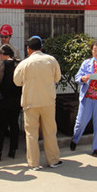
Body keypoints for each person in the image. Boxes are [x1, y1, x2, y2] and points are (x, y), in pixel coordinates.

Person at [13, 36, 63, 170]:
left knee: (31, 133)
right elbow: (57, 77)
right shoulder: (51, 60)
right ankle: (53, 160)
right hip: (48, 101)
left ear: (28, 49)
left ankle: (33, 163)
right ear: (41, 47)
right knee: (50, 131)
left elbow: (17, 81)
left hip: (30, 102)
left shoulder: (24, 63)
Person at [0, 44, 22, 161]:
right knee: (14, 124)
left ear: (3, 54)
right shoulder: (19, 63)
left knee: (0, 127)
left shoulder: (4, 64)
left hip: (4, 100)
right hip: (17, 100)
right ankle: (12, 150)